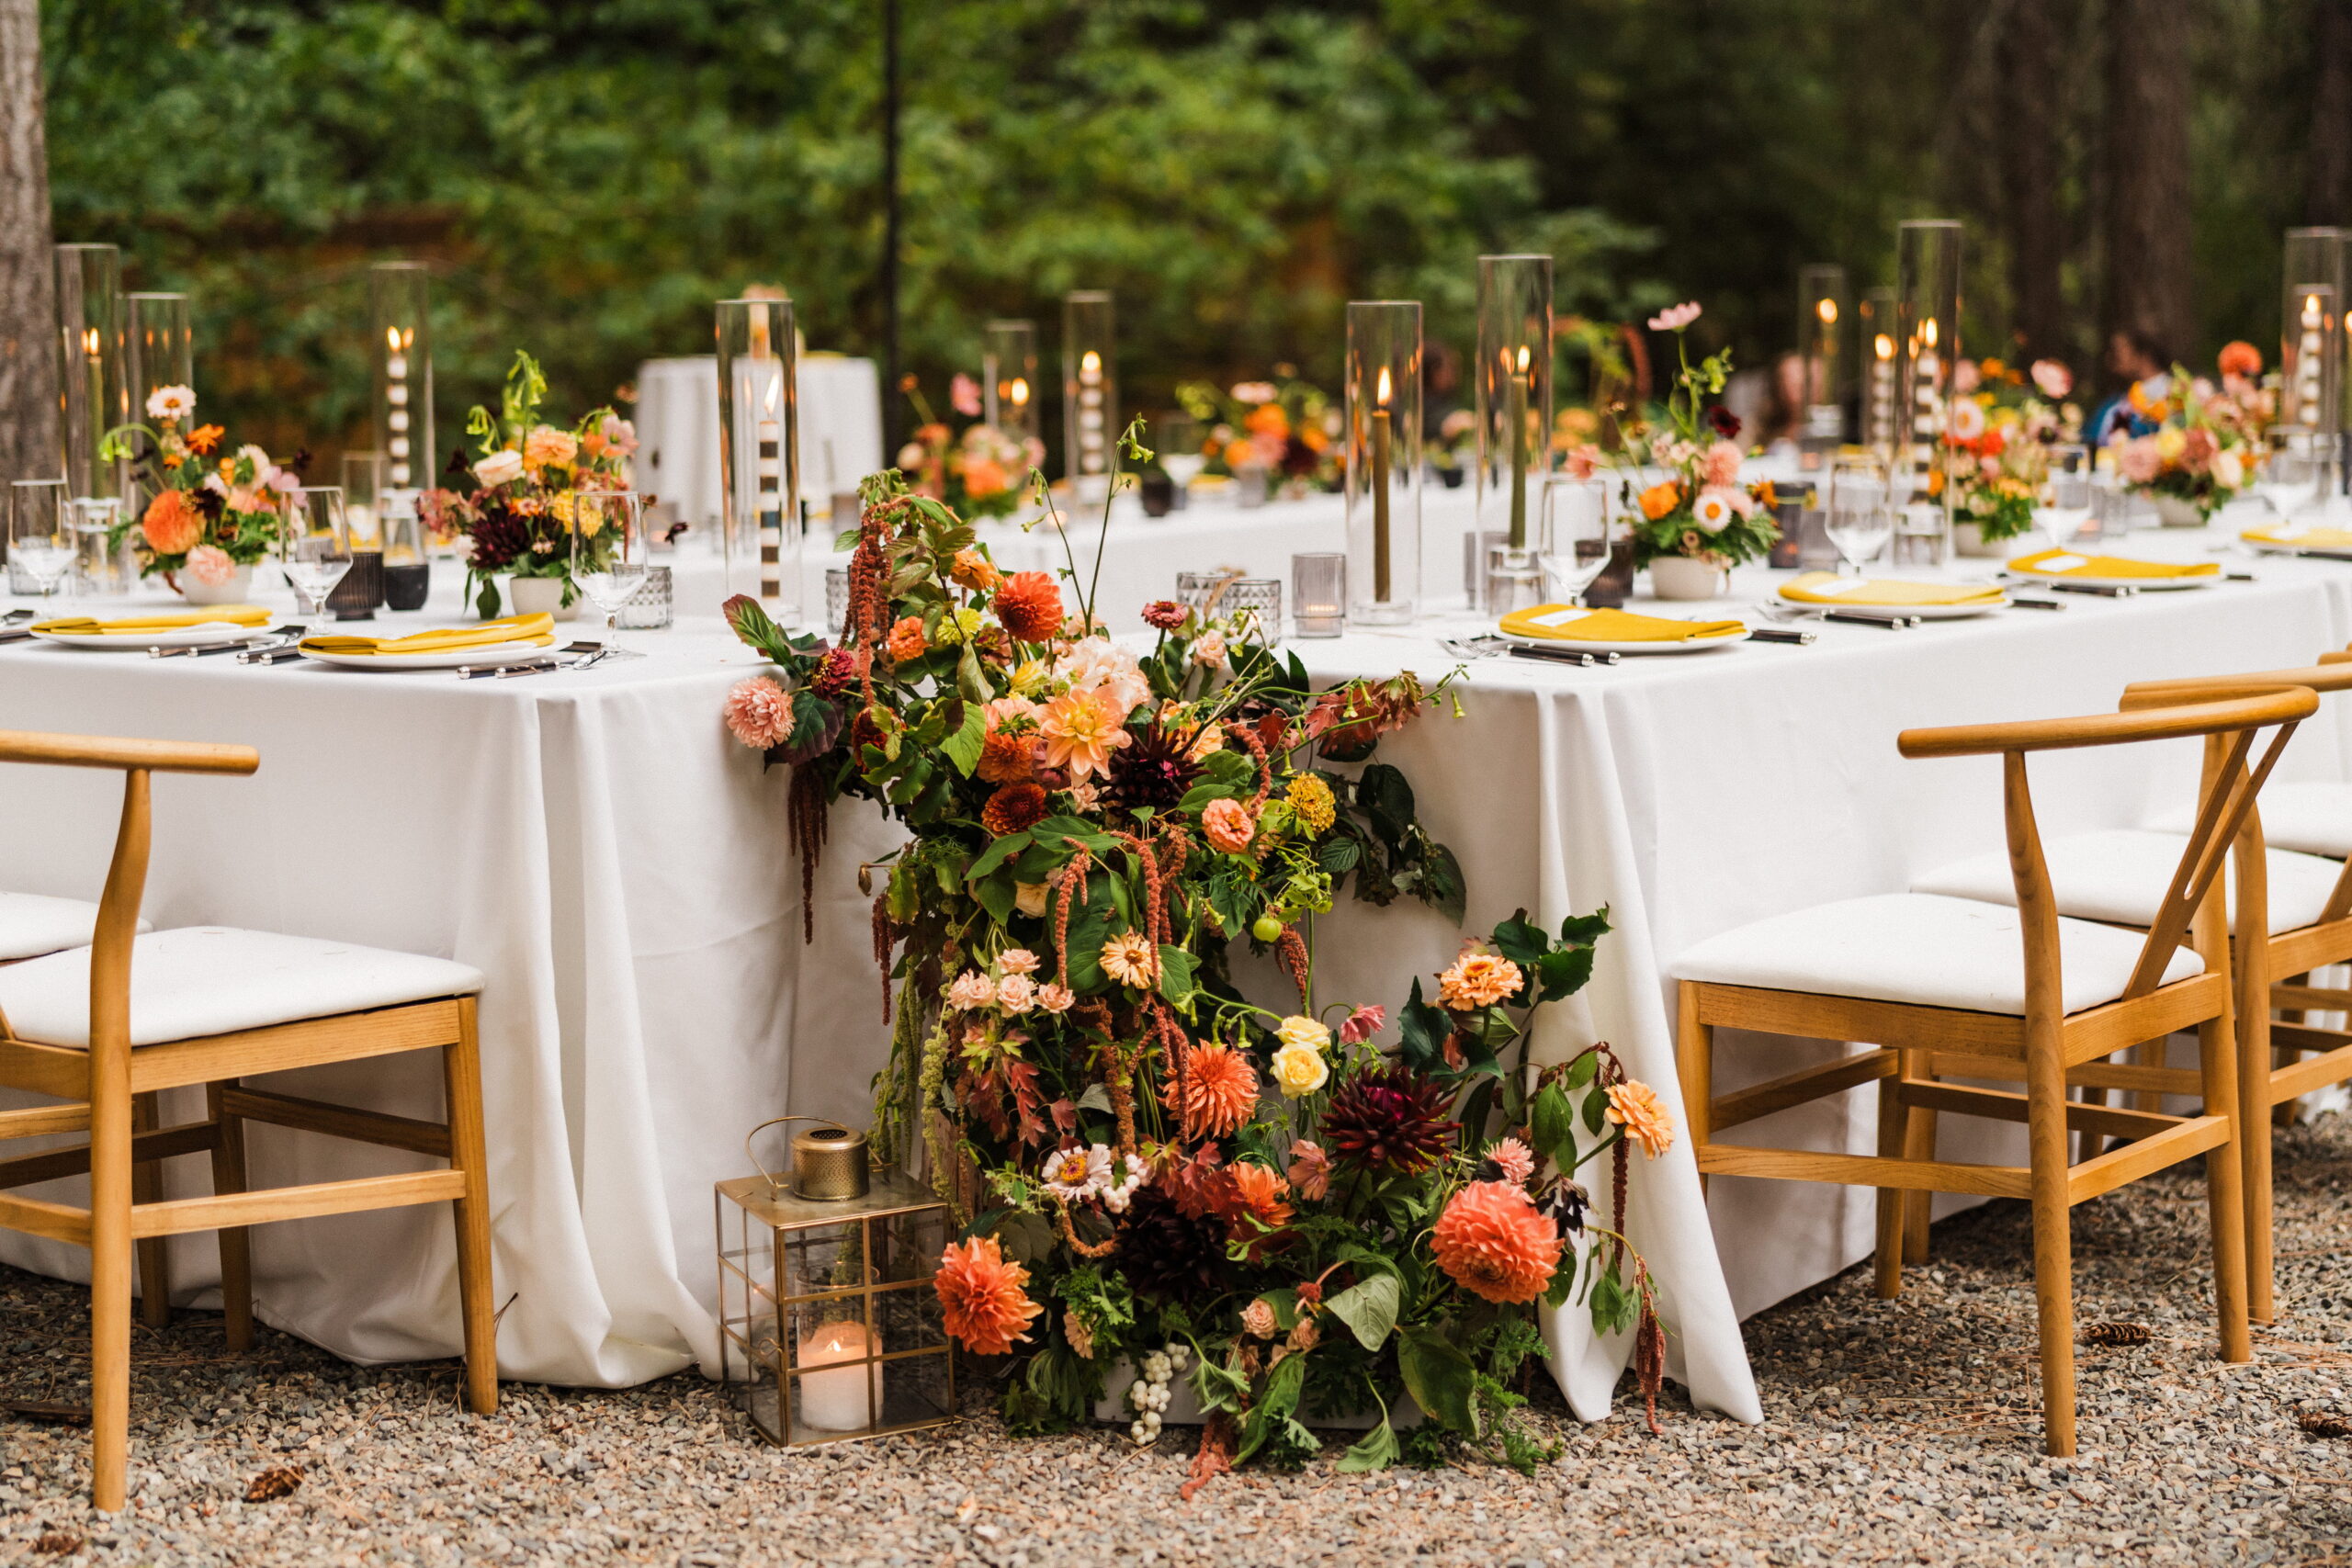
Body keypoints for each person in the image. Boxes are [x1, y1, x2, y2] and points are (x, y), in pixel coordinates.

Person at [2089, 329, 2168, 446]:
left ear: (2144, 354)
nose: (2111, 358)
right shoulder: (2117, 400)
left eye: (2119, 350)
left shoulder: (2170, 394)